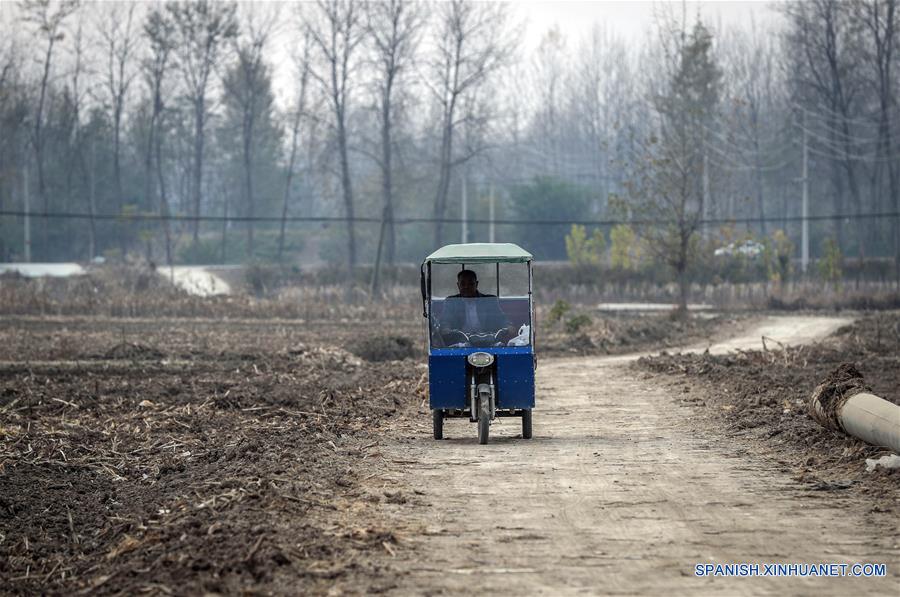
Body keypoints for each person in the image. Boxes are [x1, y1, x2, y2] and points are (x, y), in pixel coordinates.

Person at [438, 269, 516, 343]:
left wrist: (509, 326)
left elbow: (501, 318)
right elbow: (445, 320)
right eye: (463, 284)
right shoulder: (451, 302)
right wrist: (445, 329)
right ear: (458, 285)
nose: (466, 287)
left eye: (470, 284)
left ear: (476, 284)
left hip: (488, 341)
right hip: (461, 342)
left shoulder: (490, 300)